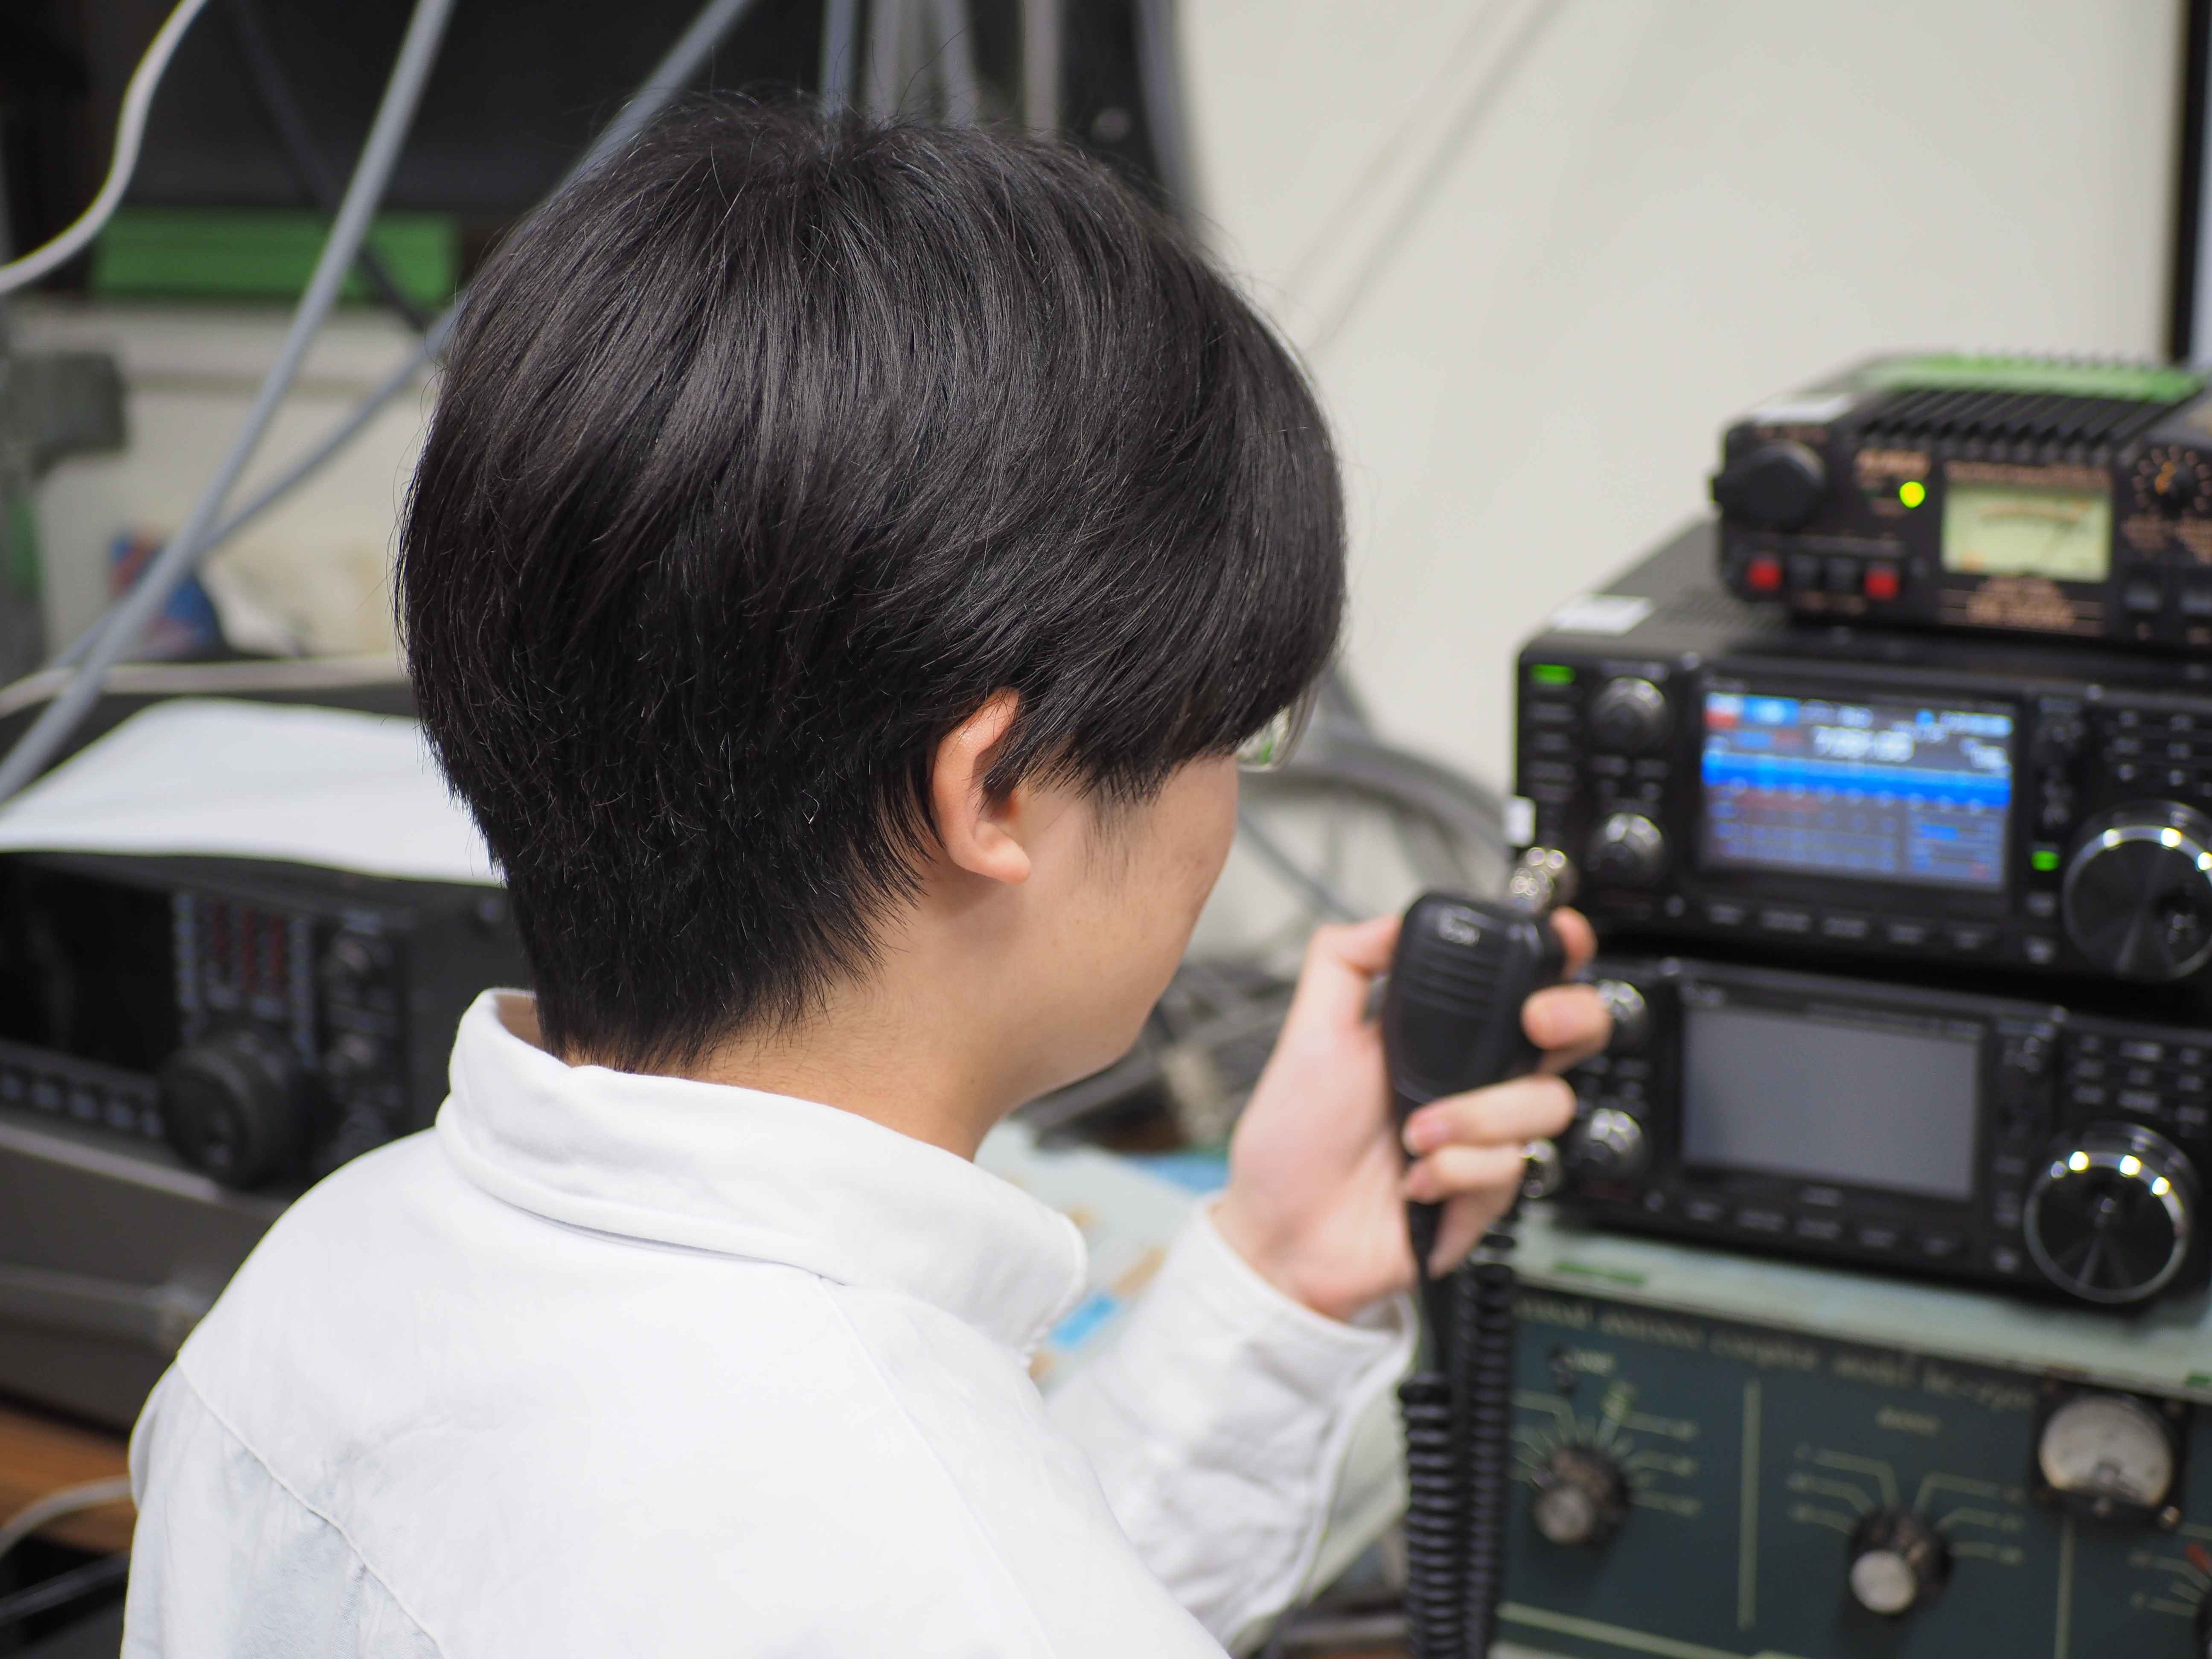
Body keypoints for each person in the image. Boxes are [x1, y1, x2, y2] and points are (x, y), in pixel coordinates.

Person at [122, 101, 1605, 1657]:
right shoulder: (957, 1588)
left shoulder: (296, 1308)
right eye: (1243, 730)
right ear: (999, 787)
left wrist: (1287, 1274)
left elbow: (899, 1536)